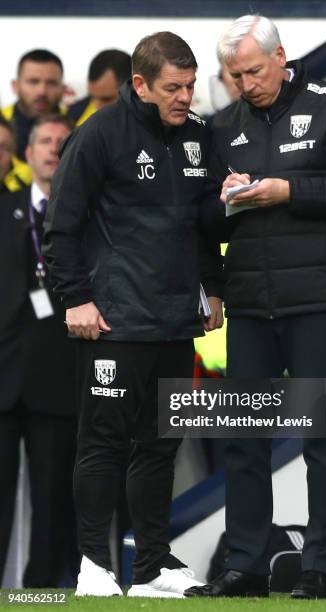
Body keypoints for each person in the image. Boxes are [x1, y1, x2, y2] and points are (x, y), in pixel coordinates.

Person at [184, 15, 326, 600]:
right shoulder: (224, 127)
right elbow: (200, 218)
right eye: (234, 75)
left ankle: (320, 565)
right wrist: (225, 207)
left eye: (252, 70)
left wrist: (288, 190)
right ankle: (244, 565)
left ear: (281, 56)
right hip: (250, 301)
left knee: (322, 435)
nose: (245, 84)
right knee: (244, 437)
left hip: (322, 298)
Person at [42, 31, 223, 598]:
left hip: (174, 320)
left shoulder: (198, 136)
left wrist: (212, 290)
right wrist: (75, 298)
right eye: (173, 87)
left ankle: (150, 568)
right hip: (113, 322)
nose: (185, 97)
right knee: (103, 443)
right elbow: (60, 229)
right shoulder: (96, 136)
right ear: (140, 84)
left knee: (160, 444)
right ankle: (95, 566)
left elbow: (203, 228)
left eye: (191, 86)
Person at [0, 114, 78, 587]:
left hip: (60, 375)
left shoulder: (89, 213)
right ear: (26, 155)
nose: (52, 149)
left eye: (61, 142)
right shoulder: (3, 207)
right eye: (43, 141)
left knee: (53, 501)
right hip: (3, 377)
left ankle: (43, 595)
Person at [1, 49, 66, 186]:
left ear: (63, 89)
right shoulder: (2, 123)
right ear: (15, 86)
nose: (42, 91)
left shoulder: (79, 127)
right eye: (33, 82)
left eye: (51, 83)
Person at [68, 49, 132, 126]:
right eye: (91, 96)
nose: (96, 107)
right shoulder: (73, 115)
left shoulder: (148, 125)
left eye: (106, 99)